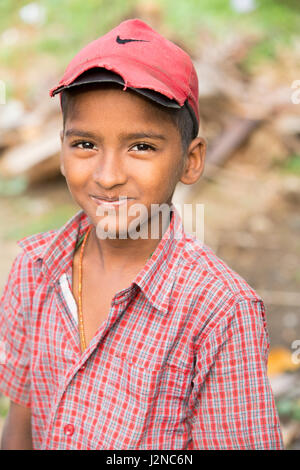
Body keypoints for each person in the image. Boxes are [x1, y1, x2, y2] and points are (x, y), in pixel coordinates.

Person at [0, 18, 283, 450]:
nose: (108, 175)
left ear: (191, 160)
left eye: (142, 147)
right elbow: (21, 420)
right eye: (85, 145)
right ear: (60, 152)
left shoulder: (220, 311)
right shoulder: (33, 269)